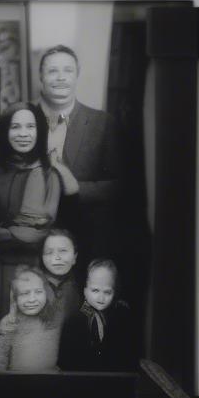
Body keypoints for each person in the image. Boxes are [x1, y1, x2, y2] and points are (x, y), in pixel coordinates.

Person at [0, 103, 74, 366]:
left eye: (30, 126)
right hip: (0, 272)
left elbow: (48, 226)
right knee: (1, 341)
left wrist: (11, 232)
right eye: (15, 126)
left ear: (39, 132)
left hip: (38, 272)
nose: (23, 133)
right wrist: (30, 234)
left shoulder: (48, 174)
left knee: (37, 345)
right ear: (5, 132)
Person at [37, 44, 122, 255]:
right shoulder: (23, 121)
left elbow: (123, 185)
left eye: (68, 70)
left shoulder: (102, 123)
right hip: (33, 237)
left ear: (77, 75)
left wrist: (78, 189)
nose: (60, 78)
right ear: (41, 76)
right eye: (52, 71)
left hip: (86, 238)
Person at [58, 259, 136, 370]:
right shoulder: (74, 320)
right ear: (85, 290)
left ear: (115, 293)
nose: (101, 298)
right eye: (95, 290)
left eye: (107, 292)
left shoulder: (120, 317)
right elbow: (65, 360)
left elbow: (126, 356)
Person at [0, 266, 61, 371]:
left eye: (38, 292)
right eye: (24, 293)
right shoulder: (10, 322)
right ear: (15, 298)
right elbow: (0, 358)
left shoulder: (54, 318)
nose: (32, 299)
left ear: (46, 293)